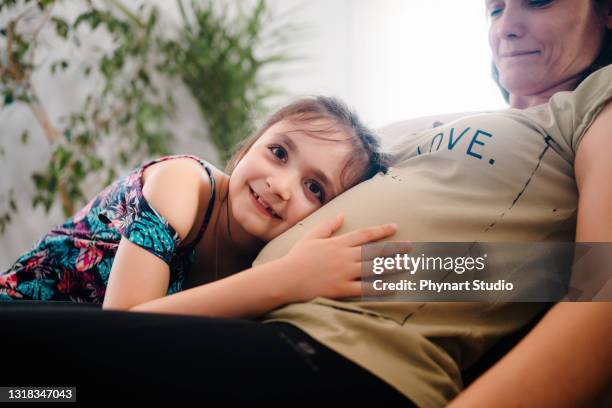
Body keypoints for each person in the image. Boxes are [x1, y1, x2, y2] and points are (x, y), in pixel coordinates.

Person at [1, 1, 611, 406]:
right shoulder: (191, 187)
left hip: (332, 352)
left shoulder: (591, 106)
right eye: (495, 6)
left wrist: (407, 272)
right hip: (251, 324)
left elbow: (588, 287)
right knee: (33, 386)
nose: (505, 24)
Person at [0, 96, 397, 314]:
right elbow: (122, 325)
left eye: (314, 188)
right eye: (277, 152)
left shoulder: (270, 251)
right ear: (248, 148)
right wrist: (287, 279)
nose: (280, 185)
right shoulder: (183, 184)